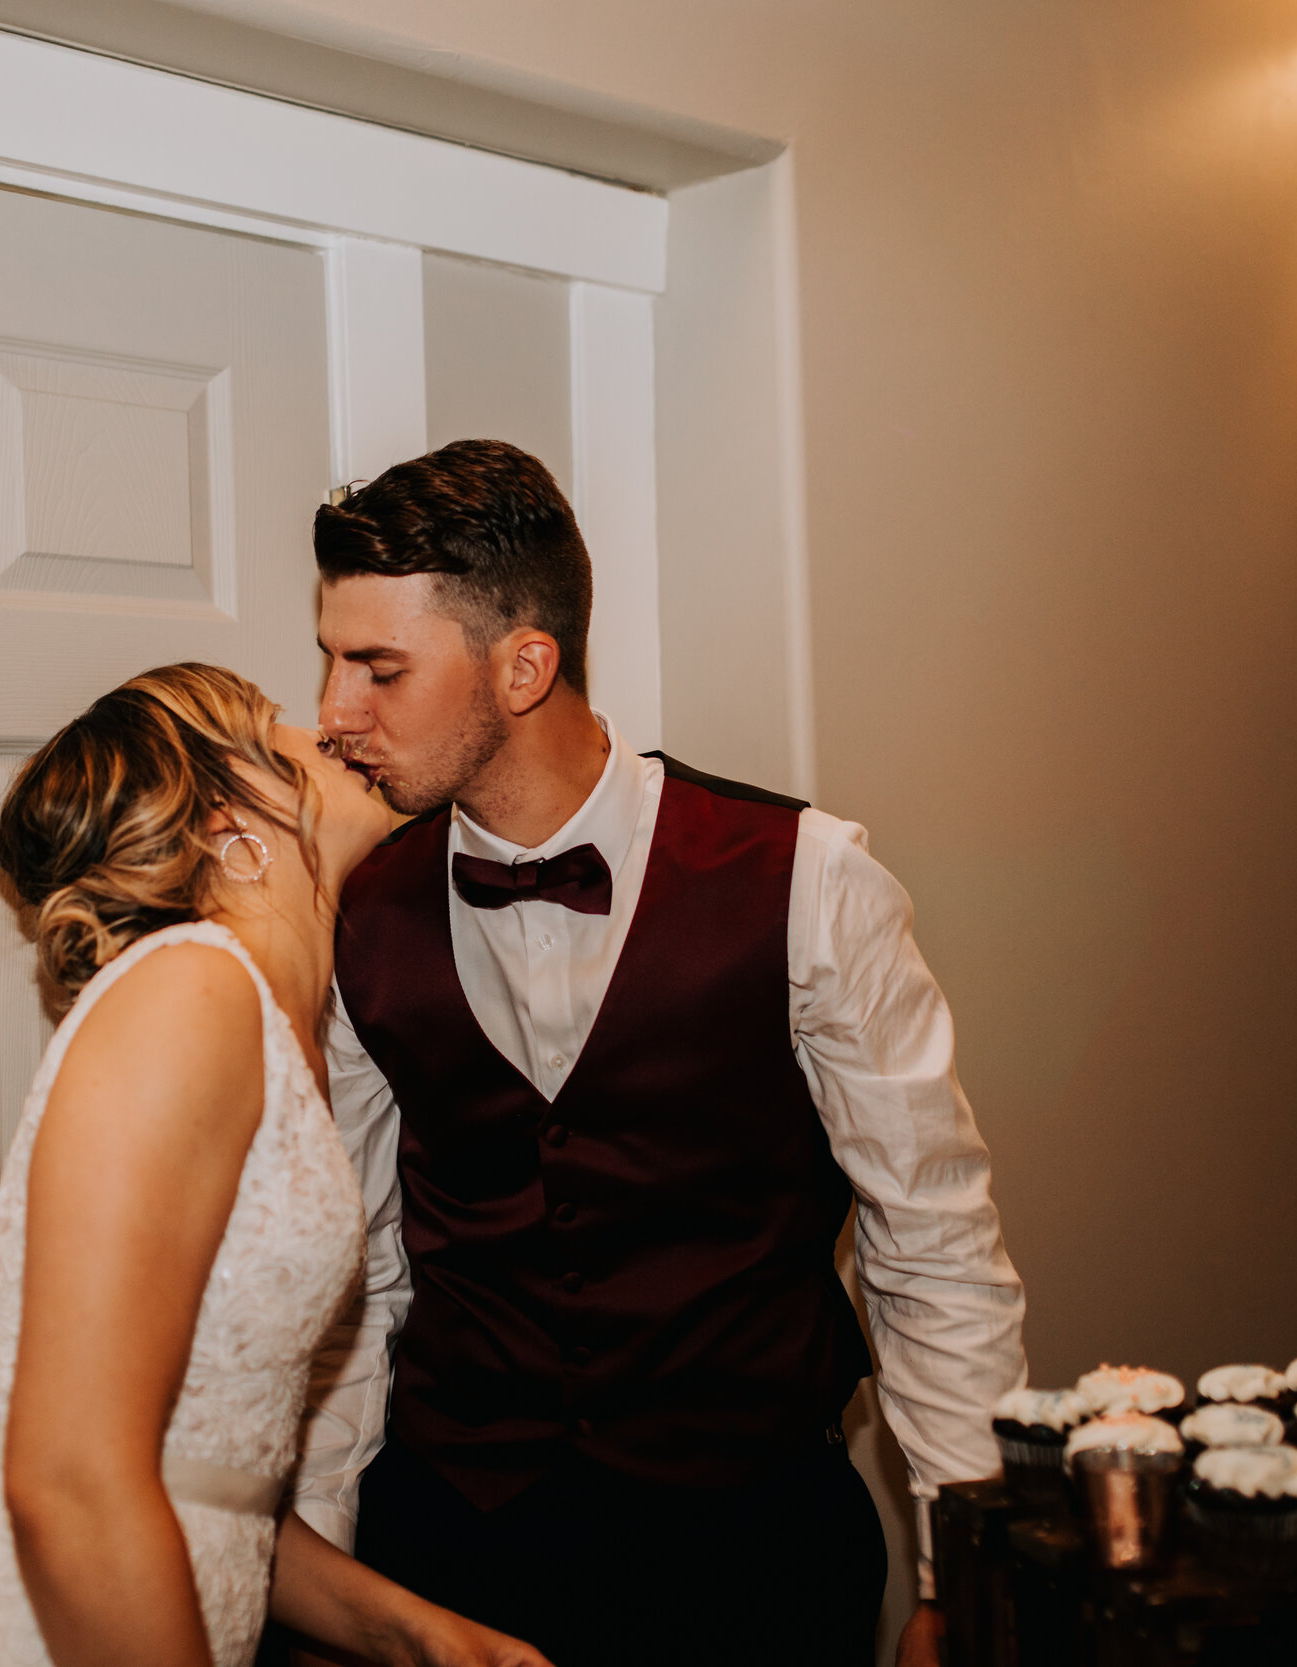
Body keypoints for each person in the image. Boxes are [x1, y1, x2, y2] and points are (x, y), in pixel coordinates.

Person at [293, 441, 1027, 1667]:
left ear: (523, 666)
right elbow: (358, 1274)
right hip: (458, 1544)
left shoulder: (809, 880)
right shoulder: (355, 910)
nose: (333, 711)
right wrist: (328, 1587)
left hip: (754, 1557)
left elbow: (933, 1245)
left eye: (378, 667)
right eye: (330, 659)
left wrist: (967, 1573)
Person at [0, 664, 554, 1667]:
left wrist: (415, 1632)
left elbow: (211, 1480)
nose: (325, 729)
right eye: (273, 725)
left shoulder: (273, 1026)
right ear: (221, 815)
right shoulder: (192, 995)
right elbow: (70, 1480)